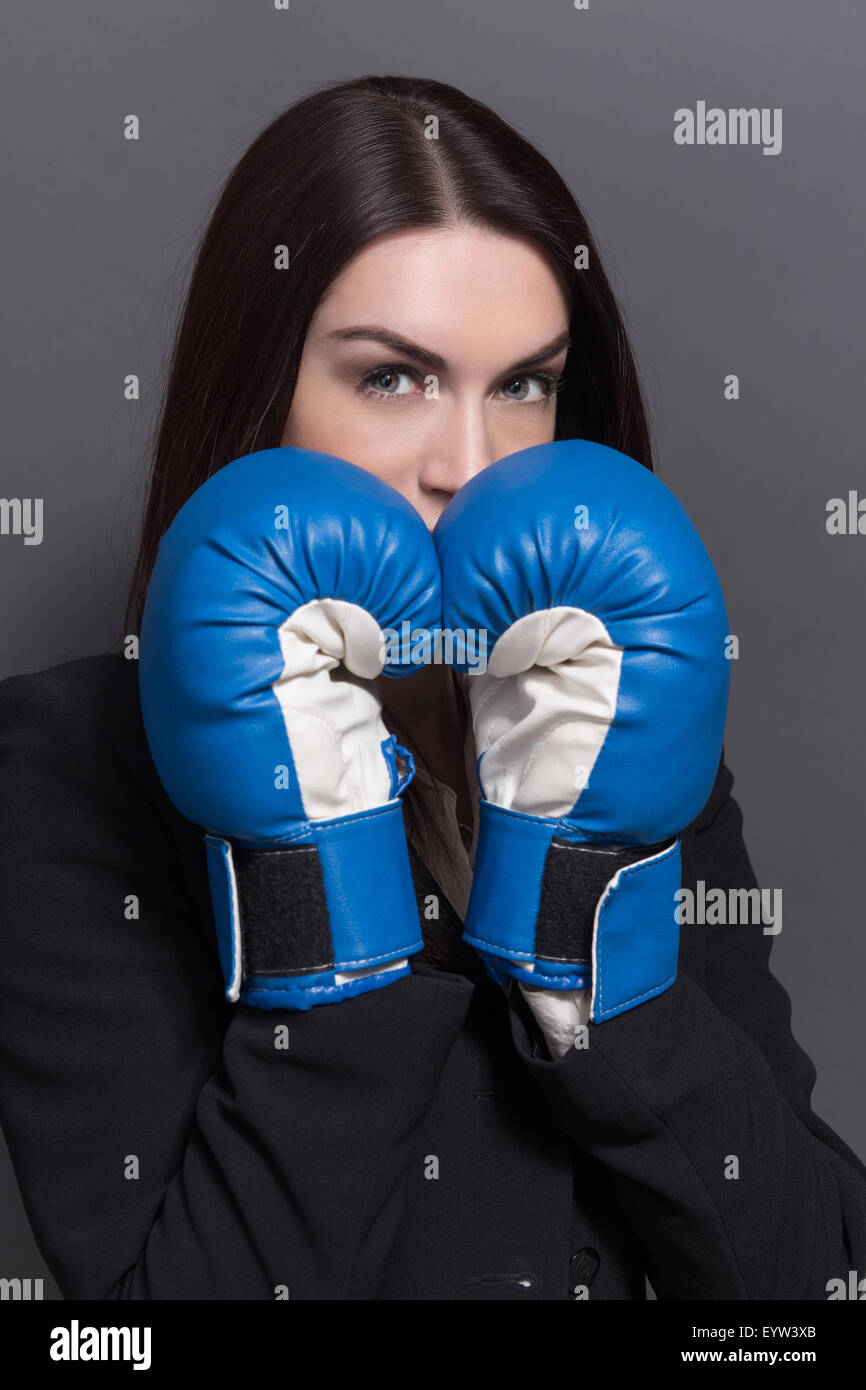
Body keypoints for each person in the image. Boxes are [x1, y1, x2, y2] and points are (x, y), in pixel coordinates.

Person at [0, 74, 864, 1301]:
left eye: (523, 383)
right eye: (391, 377)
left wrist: (587, 950)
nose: (468, 464)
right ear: (260, 398)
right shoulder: (62, 772)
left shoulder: (626, 725)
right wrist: (321, 902)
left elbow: (809, 1286)